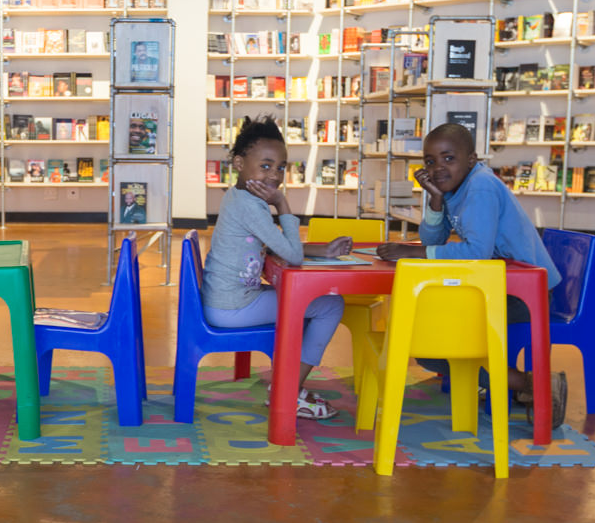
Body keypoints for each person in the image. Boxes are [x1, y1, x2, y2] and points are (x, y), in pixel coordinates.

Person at [377, 123, 568, 428]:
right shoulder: (456, 188)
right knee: (426, 335)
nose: (438, 168)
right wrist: (436, 201)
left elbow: (475, 252)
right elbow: (433, 241)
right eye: (430, 161)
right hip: (494, 286)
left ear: (471, 159)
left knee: (433, 337)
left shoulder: (480, 186)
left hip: (525, 294)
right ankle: (516, 383)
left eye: (448, 158)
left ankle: (529, 384)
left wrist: (414, 253)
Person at [202, 115, 352, 419]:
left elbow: (270, 245)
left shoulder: (238, 197)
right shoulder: (251, 205)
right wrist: (282, 204)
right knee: (331, 305)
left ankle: (288, 383)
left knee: (311, 307)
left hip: (226, 301)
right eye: (266, 165)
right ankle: (288, 392)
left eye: (281, 167)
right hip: (232, 307)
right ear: (240, 163)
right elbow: (292, 257)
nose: (274, 175)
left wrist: (320, 249)